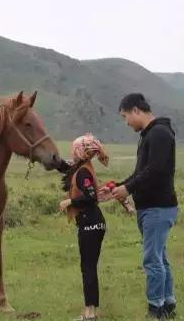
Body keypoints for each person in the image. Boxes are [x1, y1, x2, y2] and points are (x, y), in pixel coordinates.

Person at [108, 93, 179, 320]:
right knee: (160, 257)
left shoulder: (158, 134)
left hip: (157, 208)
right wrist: (120, 186)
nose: (126, 122)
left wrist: (128, 189)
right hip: (153, 207)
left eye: (125, 116)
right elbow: (142, 173)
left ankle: (155, 309)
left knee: (152, 260)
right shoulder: (150, 134)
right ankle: (168, 304)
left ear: (136, 111)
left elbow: (156, 170)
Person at [57, 134, 110, 321]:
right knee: (88, 267)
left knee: (88, 268)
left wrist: (69, 201)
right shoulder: (81, 167)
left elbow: (91, 197)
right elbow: (65, 166)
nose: (72, 152)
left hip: (91, 223)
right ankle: (89, 312)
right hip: (90, 222)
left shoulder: (83, 173)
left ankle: (90, 314)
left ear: (80, 151)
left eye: (74, 149)